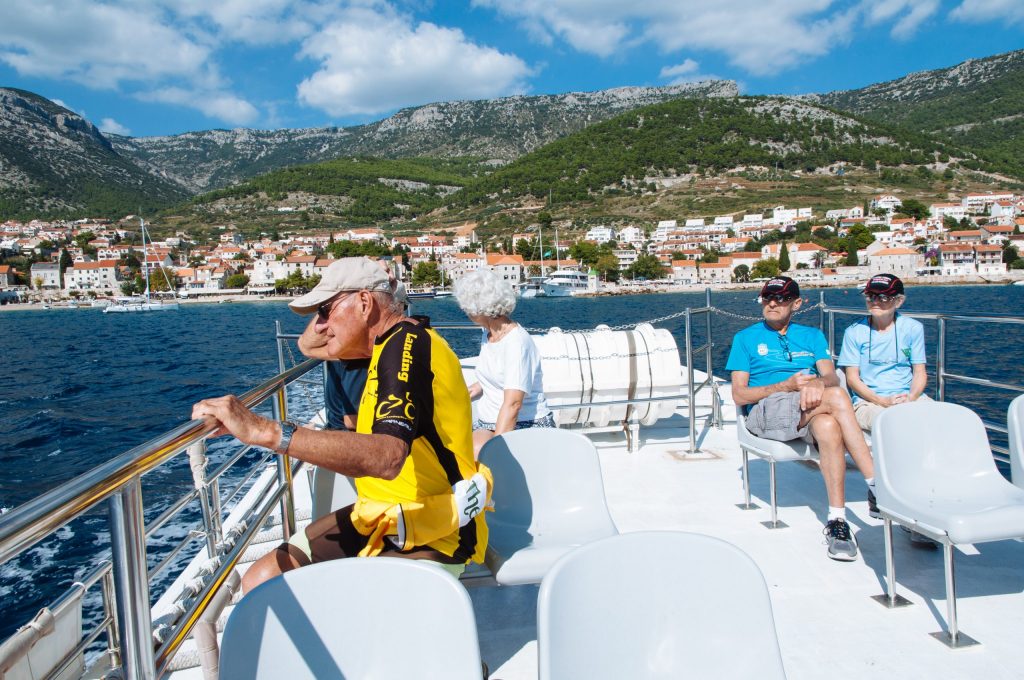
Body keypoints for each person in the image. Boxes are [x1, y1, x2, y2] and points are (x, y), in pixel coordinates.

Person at [192, 257, 491, 593]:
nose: (319, 325)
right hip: (379, 516)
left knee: (349, 612)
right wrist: (332, 311)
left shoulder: (406, 345)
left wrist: (265, 430)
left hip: (436, 530)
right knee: (262, 580)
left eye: (325, 311)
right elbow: (309, 344)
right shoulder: (380, 346)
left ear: (364, 303)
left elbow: (387, 458)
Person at [726, 276, 876, 562]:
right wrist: (786, 386)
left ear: (796, 303)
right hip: (765, 409)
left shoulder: (812, 335)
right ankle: (877, 486)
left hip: (808, 406)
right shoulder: (745, 339)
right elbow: (739, 395)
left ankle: (837, 521)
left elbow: (831, 376)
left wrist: (818, 383)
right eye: (767, 297)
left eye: (780, 299)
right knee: (840, 397)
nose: (772, 303)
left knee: (829, 427)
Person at [453, 268, 553, 457]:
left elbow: (514, 404)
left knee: (475, 452)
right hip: (489, 420)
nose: (463, 310)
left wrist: (497, 452)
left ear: (480, 307)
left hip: (523, 423)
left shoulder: (516, 343)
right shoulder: (489, 334)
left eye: (465, 305)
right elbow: (489, 381)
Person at [838, 274, 929, 432]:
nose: (875, 302)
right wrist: (882, 401)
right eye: (870, 296)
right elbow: (852, 379)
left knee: (942, 421)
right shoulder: (854, 332)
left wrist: (911, 398)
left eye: (883, 297)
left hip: (908, 397)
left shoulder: (913, 329)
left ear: (899, 301)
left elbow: (920, 372)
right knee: (894, 423)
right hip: (868, 402)